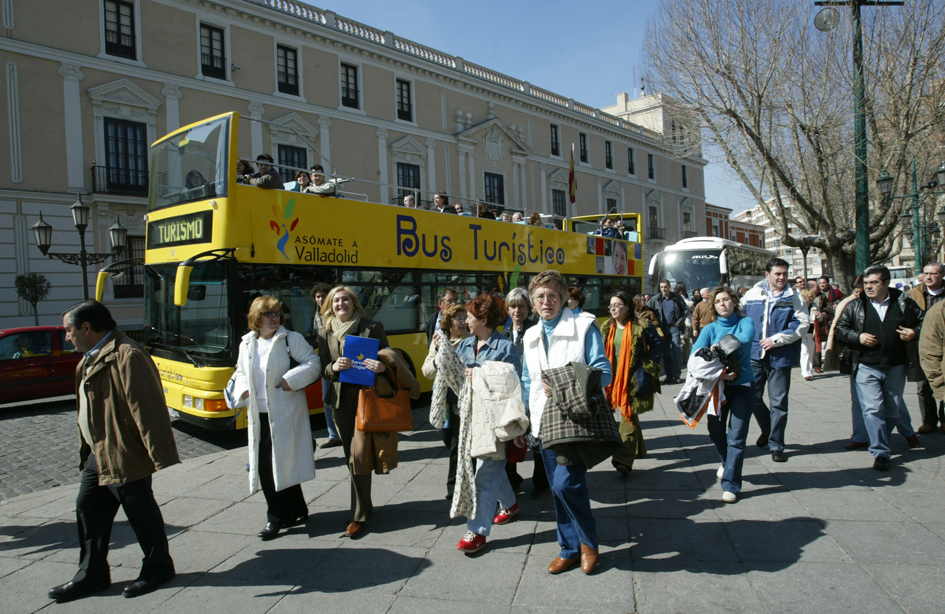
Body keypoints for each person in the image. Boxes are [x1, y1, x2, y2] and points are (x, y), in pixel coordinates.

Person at [49, 300, 179, 602]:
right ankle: (91, 574)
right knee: (88, 510)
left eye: (69, 331)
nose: (67, 337)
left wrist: (157, 454)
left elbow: (147, 406)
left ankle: (158, 567)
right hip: (99, 454)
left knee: (141, 513)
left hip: (124, 452)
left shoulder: (127, 354)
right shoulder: (90, 357)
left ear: (86, 328)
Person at [521, 270, 612, 575]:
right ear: (533, 302)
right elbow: (526, 380)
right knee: (559, 489)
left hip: (575, 418)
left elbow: (603, 371)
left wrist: (562, 384)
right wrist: (524, 418)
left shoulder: (584, 326)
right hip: (542, 421)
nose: (546, 301)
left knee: (566, 483)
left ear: (562, 298)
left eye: (551, 295)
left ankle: (587, 542)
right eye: (540, 297)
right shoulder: (530, 334)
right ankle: (569, 548)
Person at [231, 297, 320, 540]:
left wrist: (291, 380)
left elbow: (313, 363)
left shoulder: (291, 338)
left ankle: (276, 518)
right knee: (267, 466)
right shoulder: (247, 343)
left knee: (278, 465)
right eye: (267, 313)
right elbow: (239, 371)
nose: (274, 317)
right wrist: (242, 390)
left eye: (277, 313)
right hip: (258, 414)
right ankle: (296, 510)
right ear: (255, 318)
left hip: (285, 412)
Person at [454, 294, 526, 554]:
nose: (465, 322)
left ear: (483, 319)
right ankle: (511, 504)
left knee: (484, 475)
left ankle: (476, 531)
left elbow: (513, 386)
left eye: (469, 317)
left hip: (495, 421)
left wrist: (481, 375)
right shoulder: (464, 345)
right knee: (492, 469)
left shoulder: (504, 347)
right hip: (470, 418)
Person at [316, 286, 390, 537]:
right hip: (342, 403)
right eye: (335, 300)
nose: (340, 304)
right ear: (330, 305)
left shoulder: (372, 327)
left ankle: (357, 515)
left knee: (358, 456)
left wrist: (382, 366)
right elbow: (323, 369)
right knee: (353, 456)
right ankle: (364, 506)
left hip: (366, 398)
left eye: (344, 299)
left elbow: (390, 359)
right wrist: (334, 367)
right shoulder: (324, 333)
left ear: (354, 302)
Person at [835, 265, 922, 470]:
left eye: (874, 282)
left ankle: (881, 438)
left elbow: (924, 320)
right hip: (866, 366)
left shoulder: (905, 303)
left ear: (885, 283)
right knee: (873, 408)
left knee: (892, 409)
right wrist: (858, 337)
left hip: (896, 366)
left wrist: (914, 332)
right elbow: (840, 328)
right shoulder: (856, 305)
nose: (868, 287)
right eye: (866, 283)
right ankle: (880, 451)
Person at [692, 287, 756, 503]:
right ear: (713, 306)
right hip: (718, 387)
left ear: (734, 301)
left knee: (737, 437)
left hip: (743, 385)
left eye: (726, 299)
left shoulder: (745, 322)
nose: (722, 304)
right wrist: (720, 373)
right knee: (716, 432)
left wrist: (714, 349)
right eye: (718, 301)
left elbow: (742, 340)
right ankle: (728, 463)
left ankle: (731, 484)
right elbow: (696, 356)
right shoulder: (709, 328)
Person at [743, 257, 808, 461]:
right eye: (777, 274)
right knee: (752, 397)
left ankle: (776, 444)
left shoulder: (794, 297)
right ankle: (768, 429)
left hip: (780, 356)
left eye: (785, 274)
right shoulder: (753, 294)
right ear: (767, 274)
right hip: (754, 354)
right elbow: (741, 316)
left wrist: (777, 340)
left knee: (779, 402)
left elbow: (801, 325)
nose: (781, 278)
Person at [603, 290, 662, 475]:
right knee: (631, 414)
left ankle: (622, 459)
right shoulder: (607, 327)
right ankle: (638, 449)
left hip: (635, 376)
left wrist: (648, 365)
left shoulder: (641, 325)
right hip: (614, 377)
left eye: (617, 305)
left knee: (628, 413)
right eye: (611, 305)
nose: (613, 308)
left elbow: (658, 344)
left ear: (627, 307)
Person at [502, 287, 549, 499]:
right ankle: (512, 480)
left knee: (535, 440)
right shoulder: (504, 331)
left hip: (532, 393)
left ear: (528, 308)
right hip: (509, 396)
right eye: (512, 306)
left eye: (521, 306)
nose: (516, 311)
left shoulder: (535, 330)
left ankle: (542, 482)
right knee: (508, 439)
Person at [422, 303, 470, 499]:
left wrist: (447, 351)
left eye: (465, 318)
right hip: (444, 401)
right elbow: (427, 371)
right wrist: (438, 355)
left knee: (456, 446)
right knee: (447, 439)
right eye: (458, 318)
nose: (463, 322)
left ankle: (453, 488)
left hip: (462, 400)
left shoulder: (471, 341)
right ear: (448, 323)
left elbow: (462, 368)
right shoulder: (438, 342)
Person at [908, 263, 945, 434]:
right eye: (926, 273)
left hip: (941, 342)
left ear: (942, 275)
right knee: (923, 386)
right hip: (920, 344)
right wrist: (914, 332)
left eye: (933, 274)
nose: (929, 277)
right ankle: (929, 420)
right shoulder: (913, 295)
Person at [311, 282, 342, 448]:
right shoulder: (317, 314)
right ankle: (333, 434)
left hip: (339, 361)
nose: (321, 299)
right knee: (327, 400)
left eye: (323, 296)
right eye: (318, 297)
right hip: (326, 363)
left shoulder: (336, 313)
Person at [647, 280, 688, 384]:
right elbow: (646, 309)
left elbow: (686, 310)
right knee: (666, 354)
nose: (664, 289)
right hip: (662, 329)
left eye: (665, 287)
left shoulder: (676, 297)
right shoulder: (656, 299)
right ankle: (669, 375)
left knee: (676, 350)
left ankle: (676, 375)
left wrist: (679, 322)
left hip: (674, 327)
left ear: (669, 287)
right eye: (661, 287)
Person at [799, 289, 819, 381]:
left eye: (811, 297)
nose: (810, 298)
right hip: (802, 332)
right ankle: (805, 372)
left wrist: (818, 315)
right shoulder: (800, 306)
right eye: (808, 297)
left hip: (812, 331)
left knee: (810, 352)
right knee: (804, 351)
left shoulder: (815, 306)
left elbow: (820, 319)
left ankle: (810, 370)